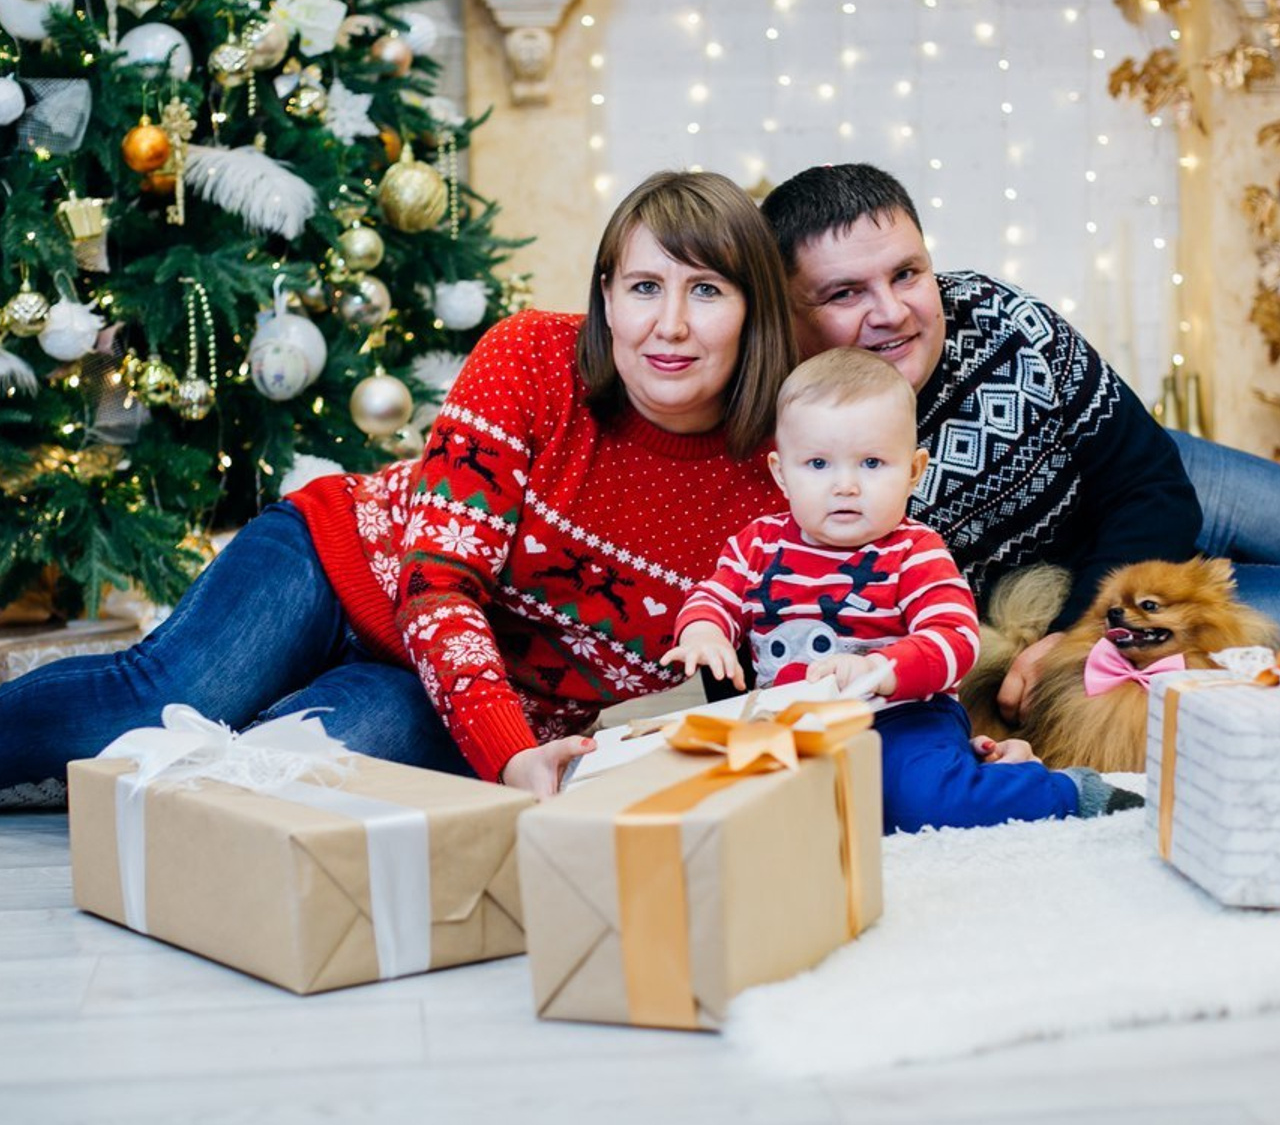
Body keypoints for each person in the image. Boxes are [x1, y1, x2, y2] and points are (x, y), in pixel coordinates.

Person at [0, 170, 798, 805]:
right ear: (607, 298)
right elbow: (438, 582)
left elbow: (782, 678)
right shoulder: (533, 358)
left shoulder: (776, 482)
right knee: (159, 698)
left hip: (453, 694)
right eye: (645, 287)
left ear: (751, 311)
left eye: (706, 290)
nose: (671, 326)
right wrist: (511, 753)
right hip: (335, 567)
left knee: (269, 781)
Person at [760, 162, 1280, 727]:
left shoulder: (1003, 319)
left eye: (907, 273)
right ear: (787, 313)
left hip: (1136, 485)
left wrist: (1076, 635)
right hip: (1051, 604)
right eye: (844, 293)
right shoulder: (796, 433)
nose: (890, 312)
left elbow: (1151, 484)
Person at [661, 347, 1139, 832]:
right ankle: (983, 770)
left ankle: (1063, 790)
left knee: (925, 802)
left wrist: (880, 668)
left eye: (871, 463)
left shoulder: (914, 551)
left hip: (903, 717)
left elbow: (955, 638)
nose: (845, 485)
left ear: (913, 471)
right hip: (790, 724)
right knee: (737, 811)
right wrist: (704, 632)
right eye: (818, 464)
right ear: (781, 473)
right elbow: (714, 596)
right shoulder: (757, 544)